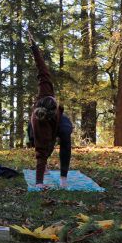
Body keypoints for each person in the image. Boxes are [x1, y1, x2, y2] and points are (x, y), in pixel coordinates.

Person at [27, 30, 72, 189]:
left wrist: (33, 46)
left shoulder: (45, 90)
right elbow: (40, 152)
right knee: (45, 148)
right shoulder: (40, 124)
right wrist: (39, 183)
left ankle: (63, 177)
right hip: (43, 128)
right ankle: (44, 170)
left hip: (58, 120)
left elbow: (41, 66)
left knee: (66, 133)